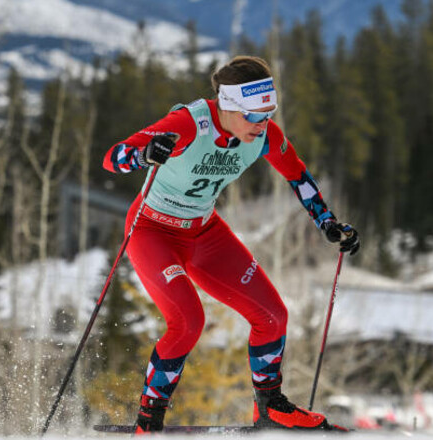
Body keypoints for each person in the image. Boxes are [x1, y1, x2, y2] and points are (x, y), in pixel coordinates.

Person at [102, 55, 359, 434]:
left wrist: (328, 223)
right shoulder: (189, 124)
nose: (262, 124)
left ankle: (270, 407)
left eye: (268, 114)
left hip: (205, 232)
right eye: (253, 115)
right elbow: (112, 158)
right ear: (228, 106)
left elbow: (298, 175)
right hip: (153, 232)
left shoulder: (264, 136)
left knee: (273, 316)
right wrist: (143, 154)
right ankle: (148, 421)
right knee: (188, 321)